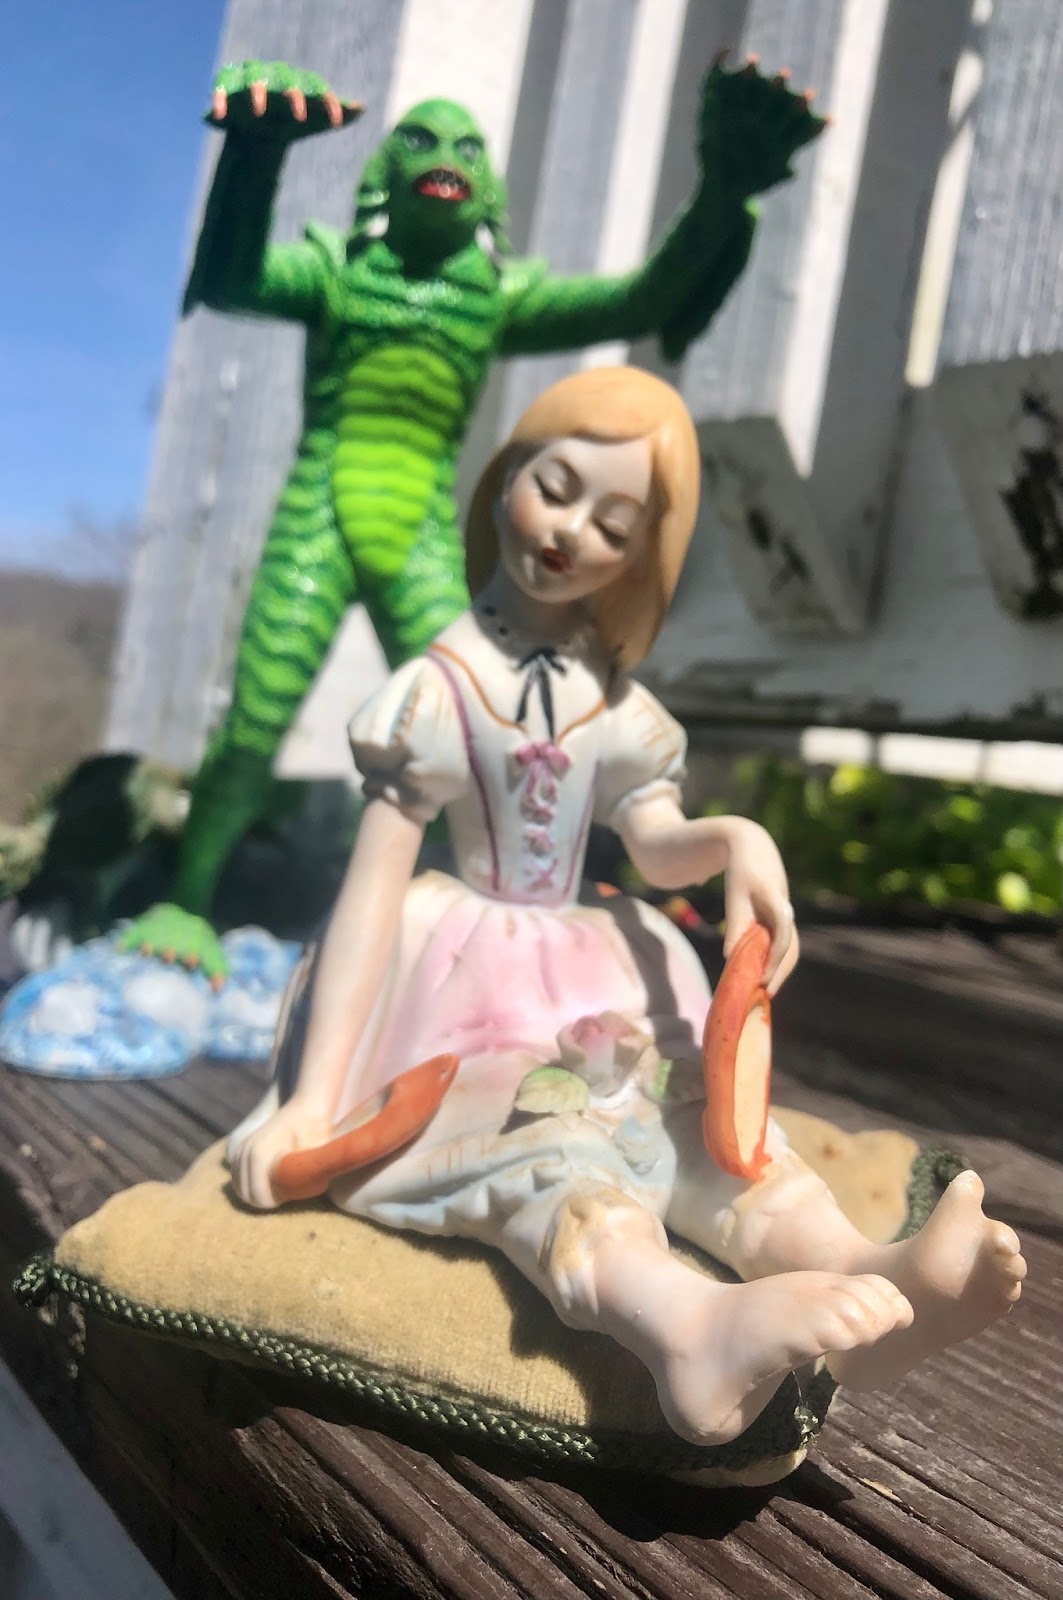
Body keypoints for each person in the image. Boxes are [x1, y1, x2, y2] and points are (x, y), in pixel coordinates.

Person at [228, 368, 1025, 1448]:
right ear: (506, 477)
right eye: (554, 489)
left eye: (612, 525)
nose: (569, 534)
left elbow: (653, 840)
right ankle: (683, 1326)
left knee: (691, 1115)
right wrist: (311, 1099)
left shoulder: (609, 700)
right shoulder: (438, 690)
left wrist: (735, 839)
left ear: (642, 552)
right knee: (543, 1136)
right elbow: (371, 890)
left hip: (586, 958)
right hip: (459, 979)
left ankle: (861, 1274)